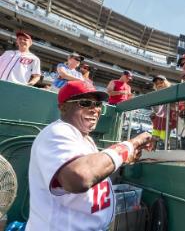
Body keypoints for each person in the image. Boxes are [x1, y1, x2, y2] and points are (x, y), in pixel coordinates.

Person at [25, 80, 154, 231]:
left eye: (98, 104)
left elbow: (93, 171)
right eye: (85, 103)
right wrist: (129, 145)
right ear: (63, 107)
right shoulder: (58, 131)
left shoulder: (84, 138)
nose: (94, 109)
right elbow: (79, 177)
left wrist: (125, 158)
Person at [150, 75, 176, 149]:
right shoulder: (155, 95)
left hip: (167, 120)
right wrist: (153, 115)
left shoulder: (171, 92)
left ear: (165, 83)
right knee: (154, 139)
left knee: (164, 140)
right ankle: (152, 154)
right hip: (158, 121)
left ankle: (165, 155)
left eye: (161, 82)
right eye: (157, 84)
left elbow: (174, 107)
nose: (159, 85)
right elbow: (154, 109)